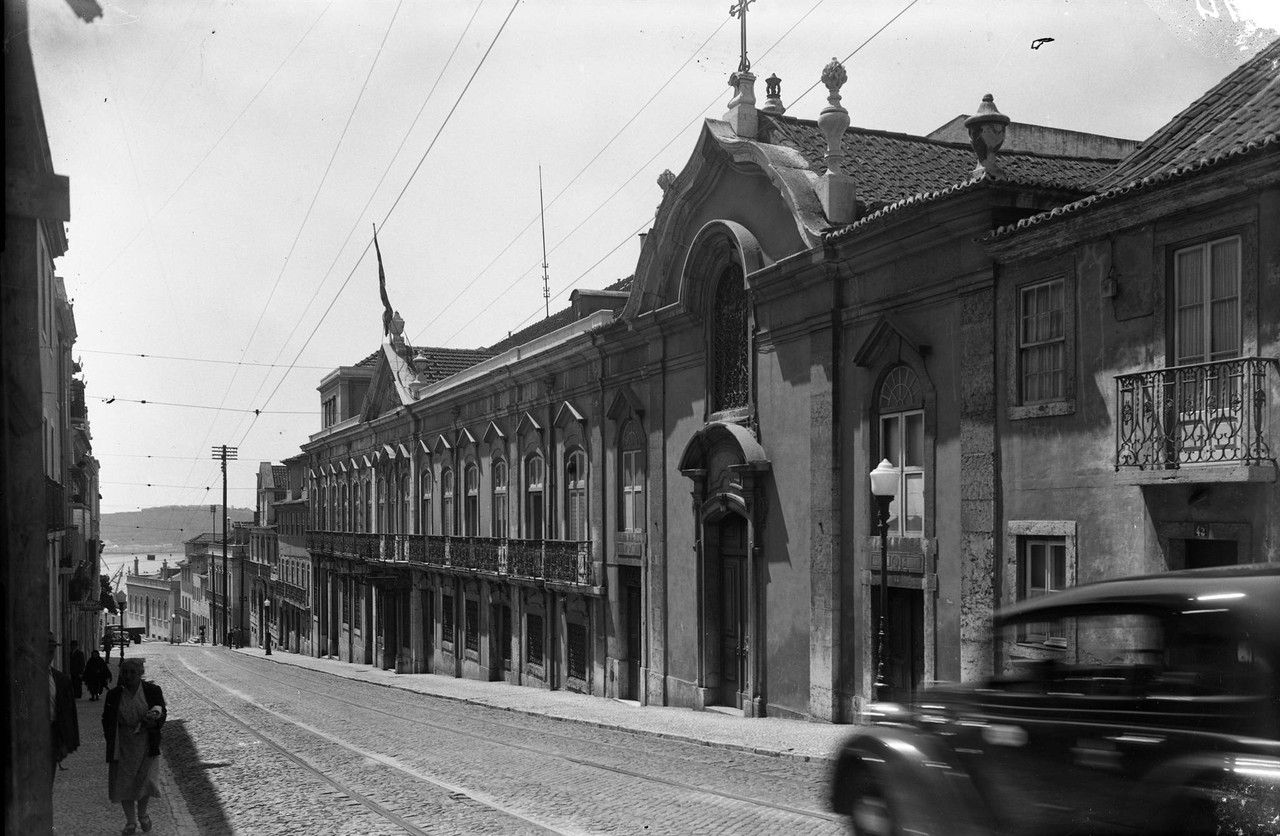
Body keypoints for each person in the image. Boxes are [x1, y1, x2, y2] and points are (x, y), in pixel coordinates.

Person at [103, 657, 166, 835]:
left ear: (141, 673)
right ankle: (130, 821)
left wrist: (154, 720)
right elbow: (106, 719)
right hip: (123, 745)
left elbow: (162, 712)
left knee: (145, 781)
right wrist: (110, 738)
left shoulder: (152, 691)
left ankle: (143, 814)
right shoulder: (114, 695)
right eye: (125, 672)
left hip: (146, 743)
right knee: (125, 782)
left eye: (132, 672)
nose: (128, 676)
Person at [49, 633, 80, 778]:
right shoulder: (22, 676)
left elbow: (67, 712)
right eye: (46, 648)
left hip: (52, 736)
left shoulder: (60, 679)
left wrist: (66, 742)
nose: (50, 652)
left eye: (52, 648)